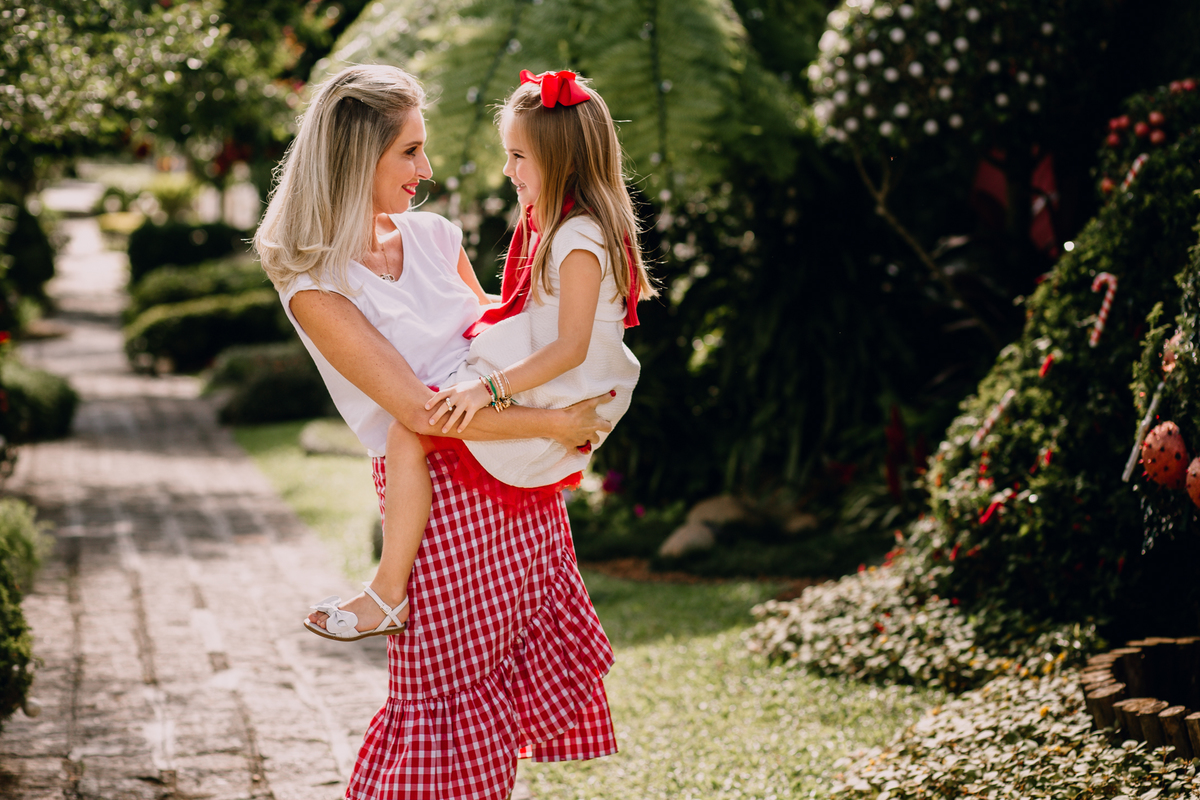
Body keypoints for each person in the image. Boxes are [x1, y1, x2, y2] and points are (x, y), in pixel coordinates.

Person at [254, 64, 619, 799]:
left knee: (495, 695)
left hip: (517, 483)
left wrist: (583, 324)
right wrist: (561, 420)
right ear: (357, 156)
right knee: (441, 700)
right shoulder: (313, 281)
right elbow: (420, 413)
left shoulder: (433, 234)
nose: (427, 169)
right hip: (442, 500)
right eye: (408, 152)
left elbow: (499, 332)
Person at [306, 67, 654, 646]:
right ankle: (387, 591)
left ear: (559, 159)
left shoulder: (572, 239)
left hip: (558, 390)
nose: (508, 170)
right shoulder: (576, 231)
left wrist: (483, 390)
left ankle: (388, 591)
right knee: (409, 431)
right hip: (558, 389)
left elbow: (567, 346)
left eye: (518, 156)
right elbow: (522, 313)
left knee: (407, 433)